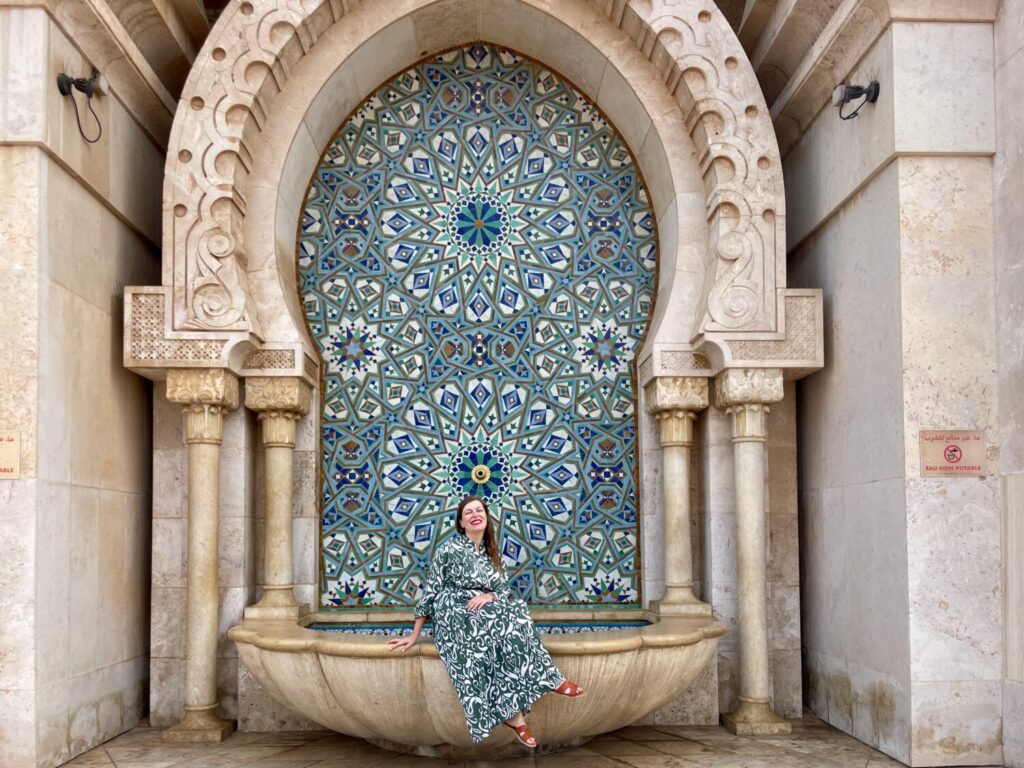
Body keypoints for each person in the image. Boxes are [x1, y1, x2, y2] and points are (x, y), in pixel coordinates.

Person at [387, 495, 586, 747]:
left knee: (517, 614)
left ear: (486, 517)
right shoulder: (449, 549)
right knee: (498, 621)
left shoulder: (492, 553)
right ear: (461, 522)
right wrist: (414, 635)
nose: (474, 515)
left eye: (478, 510)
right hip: (452, 610)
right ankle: (545, 686)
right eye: (468, 512)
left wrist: (489, 595)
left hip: (482, 608)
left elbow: (503, 590)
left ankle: (517, 715)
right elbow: (431, 591)